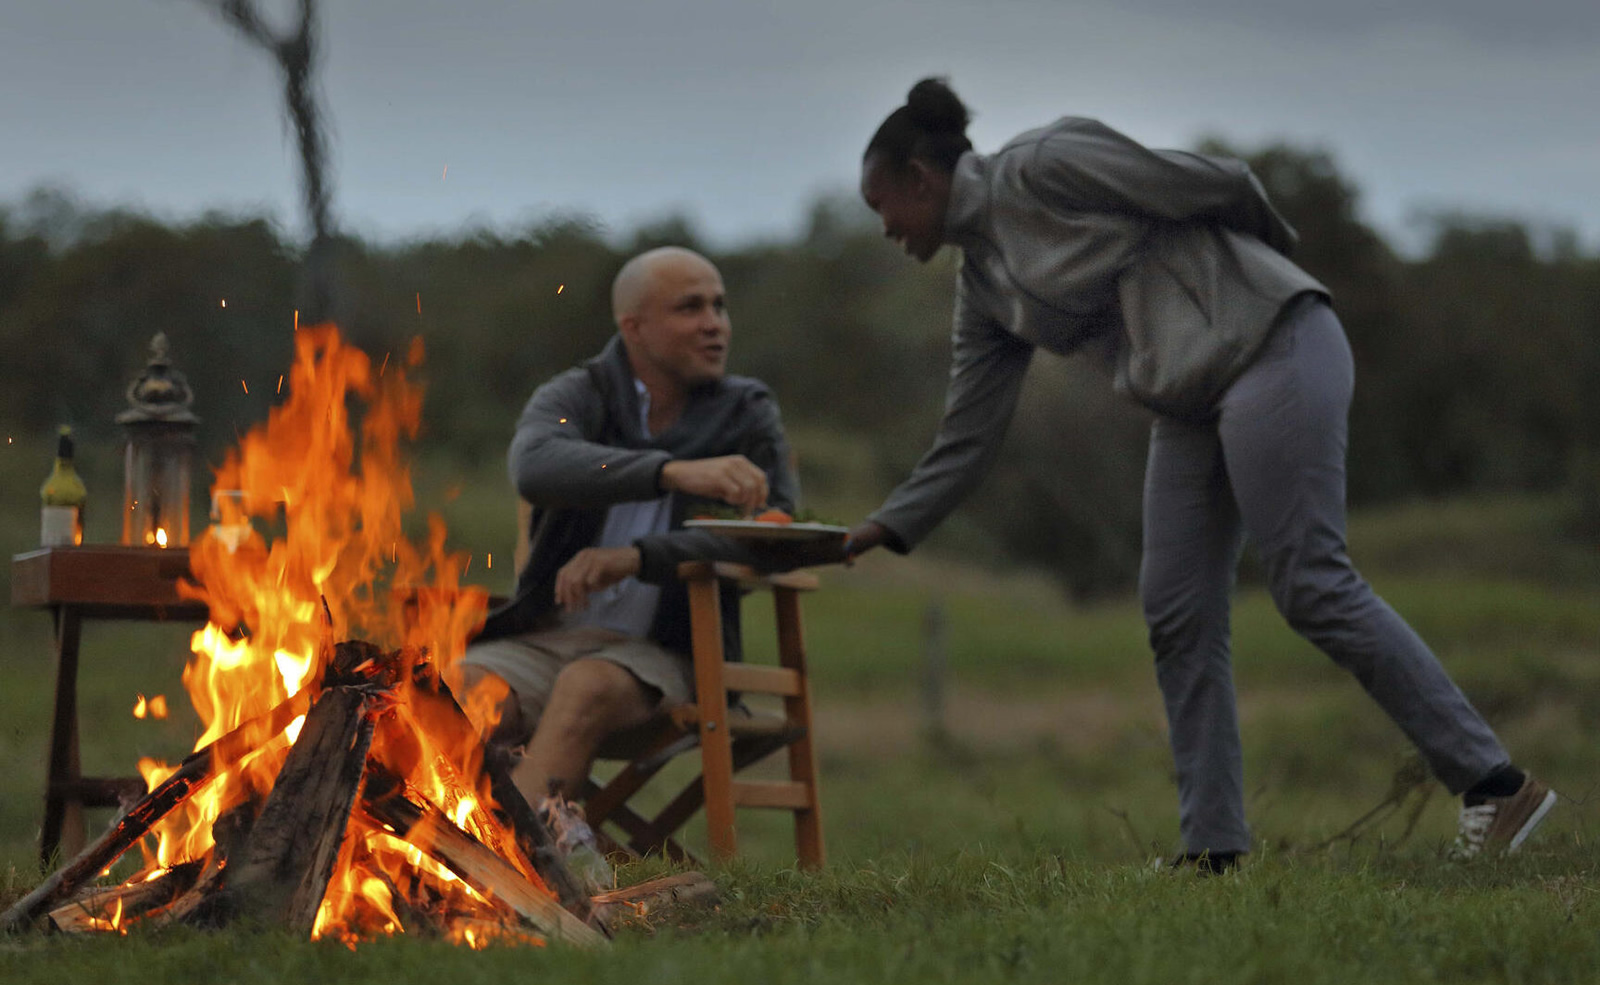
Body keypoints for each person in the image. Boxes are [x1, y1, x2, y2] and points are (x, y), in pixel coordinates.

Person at [843, 78, 1555, 868]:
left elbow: (1223, 183)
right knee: (1176, 610)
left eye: (884, 206)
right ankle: (1212, 851)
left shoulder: (1046, 164)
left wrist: (1259, 279)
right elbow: (968, 432)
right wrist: (878, 529)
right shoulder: (984, 290)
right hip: (1186, 404)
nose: (884, 228)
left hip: (1271, 345)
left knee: (1310, 581)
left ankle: (1494, 785)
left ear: (920, 178)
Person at [458, 246, 813, 809]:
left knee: (588, 685)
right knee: (450, 693)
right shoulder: (579, 395)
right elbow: (536, 466)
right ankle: (398, 856)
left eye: (719, 307)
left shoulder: (744, 412)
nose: (714, 325)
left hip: (668, 652)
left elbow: (774, 533)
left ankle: (510, 866)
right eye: (690, 308)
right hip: (549, 636)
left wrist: (640, 557)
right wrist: (669, 473)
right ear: (635, 327)